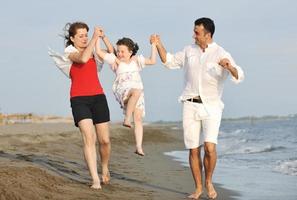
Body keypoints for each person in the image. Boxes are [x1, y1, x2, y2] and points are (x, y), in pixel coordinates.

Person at [151, 17, 244, 199]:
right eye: (194, 31)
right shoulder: (189, 50)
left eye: (197, 32)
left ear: (208, 35)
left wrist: (229, 67)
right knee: (194, 149)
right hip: (190, 104)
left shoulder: (220, 52)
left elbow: (239, 76)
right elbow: (169, 61)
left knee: (209, 147)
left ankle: (209, 181)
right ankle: (198, 187)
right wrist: (158, 43)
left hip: (212, 106)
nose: (193, 35)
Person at [49, 22, 113, 189]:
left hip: (98, 97)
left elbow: (112, 53)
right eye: (81, 36)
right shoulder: (69, 52)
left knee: (104, 141)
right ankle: (95, 179)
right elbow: (83, 59)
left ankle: (104, 166)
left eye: (86, 34)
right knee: (89, 138)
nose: (85, 38)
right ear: (72, 38)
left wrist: (102, 37)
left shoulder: (94, 50)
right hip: (79, 99)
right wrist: (93, 38)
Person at [96, 35, 157, 156]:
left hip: (137, 93)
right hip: (123, 90)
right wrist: (98, 37)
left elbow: (152, 61)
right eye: (118, 51)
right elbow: (99, 52)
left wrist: (153, 44)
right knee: (136, 91)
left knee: (138, 119)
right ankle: (127, 118)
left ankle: (138, 146)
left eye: (122, 51)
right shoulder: (115, 61)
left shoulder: (136, 61)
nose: (119, 53)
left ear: (130, 52)